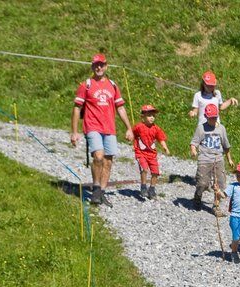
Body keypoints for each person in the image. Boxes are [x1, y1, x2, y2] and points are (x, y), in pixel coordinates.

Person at [71, 53, 134, 207]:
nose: (98, 67)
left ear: (106, 66)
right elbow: (77, 108)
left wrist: (129, 128)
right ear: (92, 67)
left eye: (101, 65)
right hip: (92, 126)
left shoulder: (113, 85)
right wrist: (74, 131)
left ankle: (101, 193)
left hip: (110, 128)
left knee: (108, 161)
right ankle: (96, 187)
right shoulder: (86, 85)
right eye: (96, 65)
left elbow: (120, 107)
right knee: (98, 157)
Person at [190, 104, 234, 214]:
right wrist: (193, 150)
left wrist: (229, 159)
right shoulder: (201, 128)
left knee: (220, 183)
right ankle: (197, 197)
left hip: (218, 158)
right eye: (211, 117)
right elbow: (194, 142)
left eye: (215, 117)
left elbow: (226, 146)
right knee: (202, 183)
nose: (213, 119)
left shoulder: (221, 128)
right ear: (206, 116)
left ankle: (216, 205)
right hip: (204, 158)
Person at [132, 104, 170, 200]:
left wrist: (165, 147)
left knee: (155, 172)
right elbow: (132, 133)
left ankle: (152, 188)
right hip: (141, 153)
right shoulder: (139, 127)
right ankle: (143, 186)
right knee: (144, 169)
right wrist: (129, 137)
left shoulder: (156, 128)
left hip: (152, 155)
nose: (152, 118)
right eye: (149, 115)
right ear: (143, 117)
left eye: (153, 116)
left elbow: (161, 138)